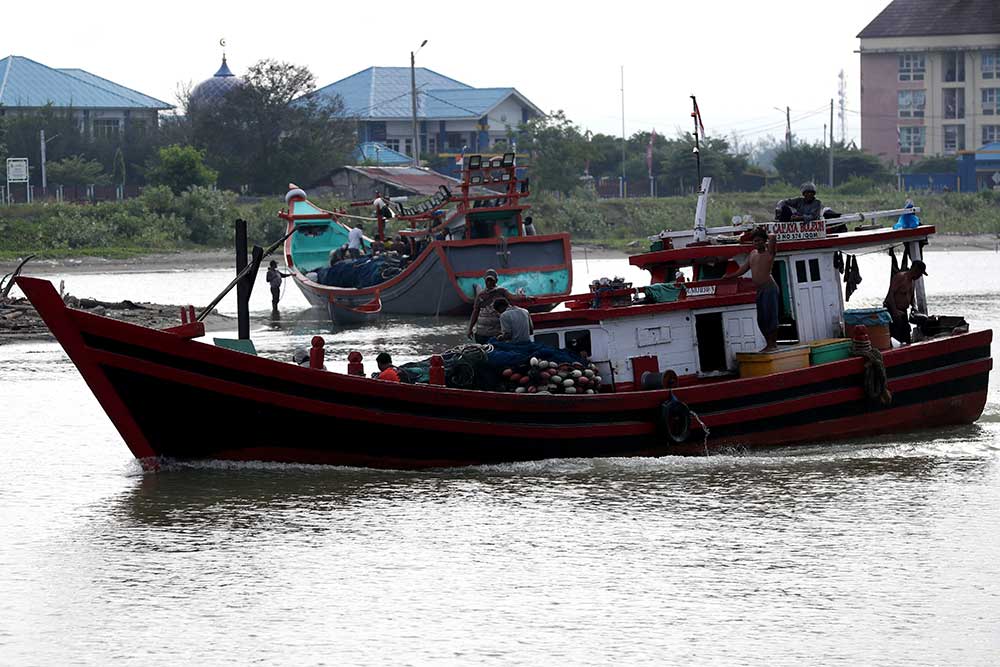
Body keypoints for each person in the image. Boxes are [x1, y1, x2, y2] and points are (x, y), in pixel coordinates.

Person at [724, 227, 779, 351]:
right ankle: (768, 343)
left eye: (760, 240)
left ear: (764, 241)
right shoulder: (753, 254)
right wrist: (730, 276)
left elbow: (773, 237)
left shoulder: (769, 253)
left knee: (771, 317)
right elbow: (743, 269)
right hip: (759, 289)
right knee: (762, 319)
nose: (757, 243)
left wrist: (767, 232)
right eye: (755, 241)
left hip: (769, 288)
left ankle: (773, 344)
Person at [467, 269, 516, 344]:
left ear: (496, 280)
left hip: (496, 334)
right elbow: (475, 312)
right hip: (481, 334)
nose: (489, 283)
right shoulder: (481, 295)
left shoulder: (501, 291)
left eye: (491, 280)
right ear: (484, 280)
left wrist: (524, 297)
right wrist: (470, 329)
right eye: (487, 280)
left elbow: (513, 298)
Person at [883, 260, 926, 345]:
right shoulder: (900, 277)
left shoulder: (912, 282)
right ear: (915, 270)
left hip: (903, 312)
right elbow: (890, 296)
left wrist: (914, 307)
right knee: (895, 336)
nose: (920, 276)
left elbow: (912, 297)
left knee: (906, 336)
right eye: (920, 273)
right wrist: (895, 312)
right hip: (893, 310)